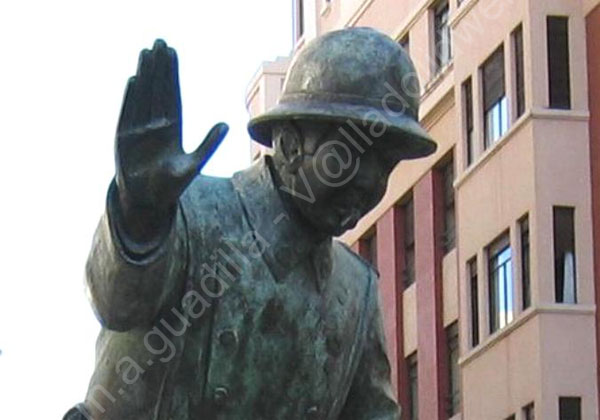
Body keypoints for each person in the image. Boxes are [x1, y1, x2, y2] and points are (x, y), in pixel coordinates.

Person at [65, 27, 436, 420]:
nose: (370, 182)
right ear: (291, 144)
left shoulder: (356, 290)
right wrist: (139, 215)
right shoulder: (189, 216)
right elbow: (118, 302)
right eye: (351, 157)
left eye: (385, 165)